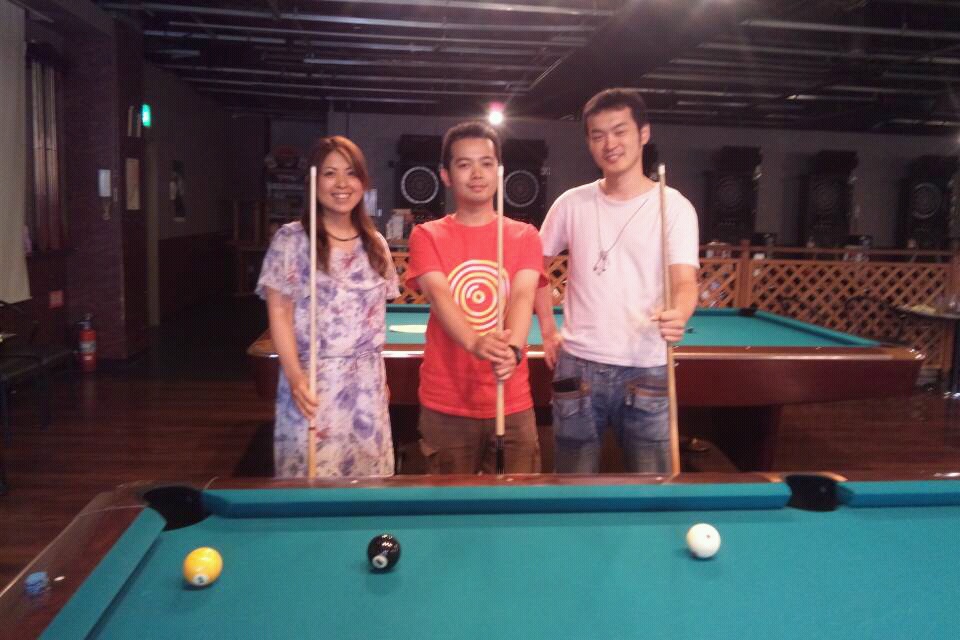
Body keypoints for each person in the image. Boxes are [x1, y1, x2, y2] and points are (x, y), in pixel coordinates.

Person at [534, 88, 700, 474]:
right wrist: (547, 329)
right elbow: (533, 270)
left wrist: (680, 313)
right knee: (573, 486)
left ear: (643, 134)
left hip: (647, 367)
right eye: (598, 135)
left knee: (652, 487)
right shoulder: (571, 203)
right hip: (578, 366)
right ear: (589, 142)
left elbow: (685, 282)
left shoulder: (674, 206)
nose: (610, 144)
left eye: (620, 131)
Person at [405, 121, 546, 474]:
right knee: (448, 505)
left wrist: (512, 350)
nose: (477, 174)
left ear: (499, 171)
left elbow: (522, 297)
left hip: (511, 399)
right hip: (447, 402)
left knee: (517, 502)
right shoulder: (427, 235)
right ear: (446, 175)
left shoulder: (525, 236)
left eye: (486, 163)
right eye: (464, 164)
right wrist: (475, 342)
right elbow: (439, 296)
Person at [257, 136, 399, 478]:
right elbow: (279, 314)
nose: (341, 183)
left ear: (363, 181)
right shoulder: (291, 240)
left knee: (368, 483)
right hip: (313, 383)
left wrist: (380, 378)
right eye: (329, 173)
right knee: (310, 481)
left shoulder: (376, 244)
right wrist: (295, 378)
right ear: (313, 180)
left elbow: (377, 316)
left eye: (351, 173)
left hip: (367, 387)